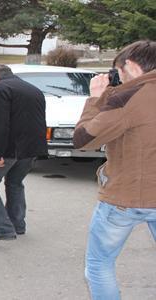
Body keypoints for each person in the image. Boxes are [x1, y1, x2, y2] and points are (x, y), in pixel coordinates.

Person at [73, 40, 156, 300]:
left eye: (118, 70)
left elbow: (84, 139)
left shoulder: (130, 97)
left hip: (126, 198)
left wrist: (96, 98)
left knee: (99, 265)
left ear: (130, 66)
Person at [0, 64, 47, 243]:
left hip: (9, 148)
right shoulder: (32, 89)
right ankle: (17, 224)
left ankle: (3, 228)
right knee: (15, 183)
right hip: (31, 149)